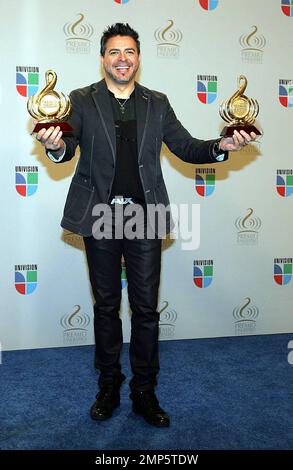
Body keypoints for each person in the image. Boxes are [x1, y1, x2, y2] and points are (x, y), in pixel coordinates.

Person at [36, 23, 256, 427]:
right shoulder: (81, 100)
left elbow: (186, 147)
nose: (123, 59)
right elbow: (66, 149)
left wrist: (221, 147)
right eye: (115, 52)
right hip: (100, 213)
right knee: (105, 307)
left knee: (145, 310)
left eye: (130, 52)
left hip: (145, 214)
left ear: (139, 57)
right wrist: (55, 145)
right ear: (103, 58)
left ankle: (144, 391)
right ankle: (108, 386)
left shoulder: (157, 102)